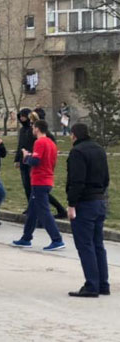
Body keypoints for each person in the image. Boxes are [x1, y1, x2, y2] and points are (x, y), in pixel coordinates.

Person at [66, 123, 110, 297]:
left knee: (85, 245)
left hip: (84, 202)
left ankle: (91, 284)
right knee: (98, 244)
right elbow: (106, 177)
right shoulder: (99, 149)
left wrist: (71, 204)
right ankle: (103, 283)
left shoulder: (77, 152)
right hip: (99, 200)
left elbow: (77, 181)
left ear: (74, 135)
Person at [13, 119, 66, 251]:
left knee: (44, 211)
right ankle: (26, 238)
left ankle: (57, 239)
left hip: (39, 181)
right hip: (47, 179)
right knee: (32, 210)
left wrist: (26, 157)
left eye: (33, 128)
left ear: (37, 128)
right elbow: (48, 161)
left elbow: (35, 161)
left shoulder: (39, 142)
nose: (32, 130)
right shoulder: (51, 143)